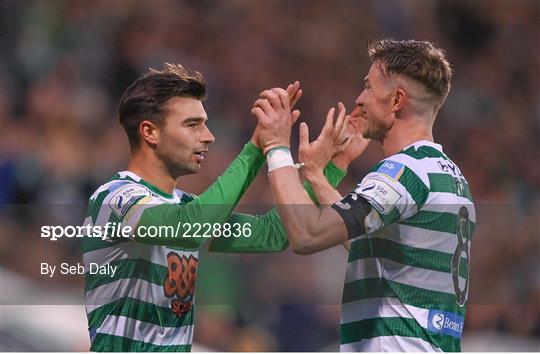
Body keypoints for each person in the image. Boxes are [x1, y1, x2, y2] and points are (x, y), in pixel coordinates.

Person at [82, 63, 359, 352]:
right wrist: (257, 147)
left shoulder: (183, 206)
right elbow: (190, 227)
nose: (208, 136)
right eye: (192, 125)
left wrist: (334, 164)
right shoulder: (116, 199)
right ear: (150, 132)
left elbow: (273, 233)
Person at [253, 38, 475, 352]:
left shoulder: (404, 173)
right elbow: (369, 247)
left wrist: (276, 147)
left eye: (368, 87)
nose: (359, 98)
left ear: (397, 100)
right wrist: (316, 175)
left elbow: (306, 235)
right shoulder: (449, 176)